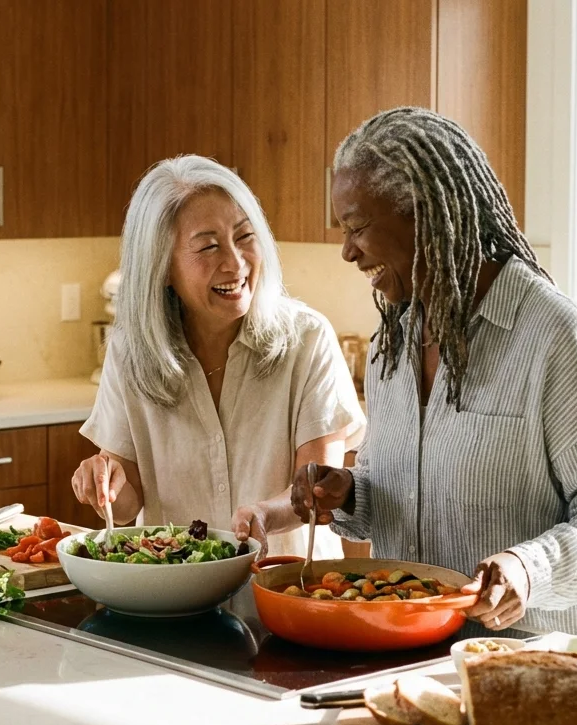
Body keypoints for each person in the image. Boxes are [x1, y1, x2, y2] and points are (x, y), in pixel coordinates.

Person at [282, 107, 577, 648]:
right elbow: (408, 495)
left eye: (358, 228)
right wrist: (349, 495)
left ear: (426, 215)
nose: (347, 251)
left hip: (553, 656)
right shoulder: (394, 342)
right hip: (432, 651)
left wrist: (529, 571)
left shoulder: (554, 336)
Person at [74, 155, 365, 558]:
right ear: (162, 268)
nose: (235, 262)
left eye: (245, 237)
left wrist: (265, 514)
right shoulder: (130, 351)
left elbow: (317, 488)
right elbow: (126, 507)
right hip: (177, 595)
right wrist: (104, 482)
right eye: (208, 247)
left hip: (289, 590)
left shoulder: (307, 339)